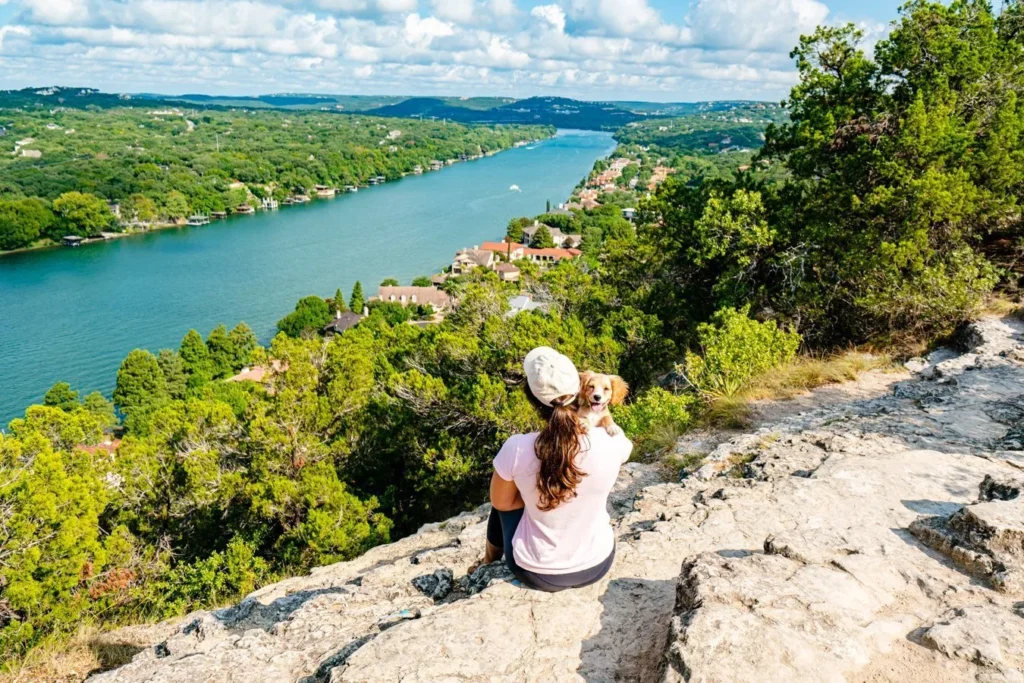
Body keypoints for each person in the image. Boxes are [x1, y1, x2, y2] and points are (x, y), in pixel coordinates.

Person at [483, 346, 633, 592]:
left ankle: (487, 563)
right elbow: (623, 449)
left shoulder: (517, 447)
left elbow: (503, 504)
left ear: (531, 397)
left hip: (535, 571)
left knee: (499, 501)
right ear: (580, 390)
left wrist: (538, 495)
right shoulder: (613, 442)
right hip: (597, 563)